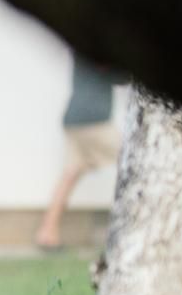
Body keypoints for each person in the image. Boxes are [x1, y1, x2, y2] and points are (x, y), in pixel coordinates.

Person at [34, 55, 122, 251]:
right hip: (93, 119)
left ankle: (47, 233)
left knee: (70, 174)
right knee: (132, 159)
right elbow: (118, 75)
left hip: (74, 117)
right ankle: (130, 228)